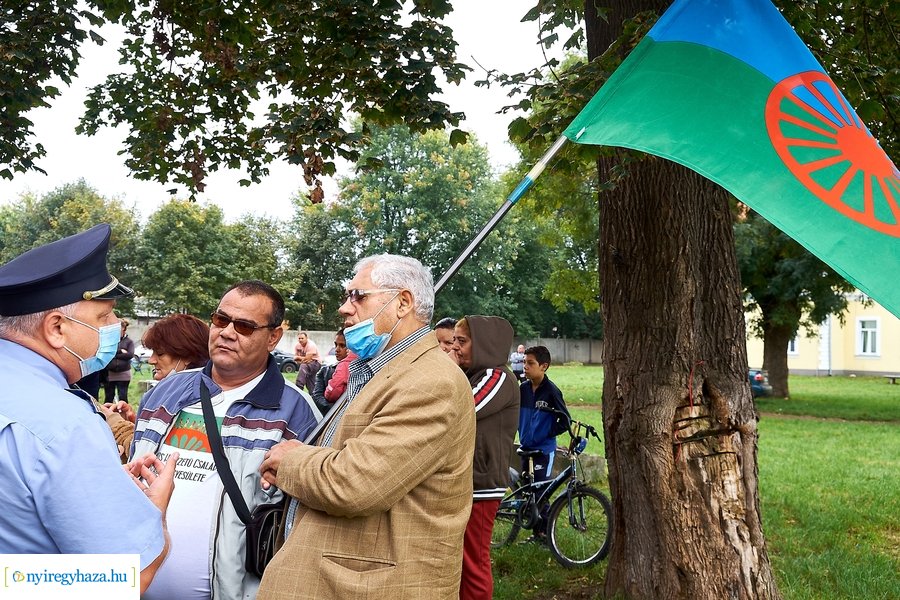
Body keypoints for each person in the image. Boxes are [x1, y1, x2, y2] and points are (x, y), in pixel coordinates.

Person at [257, 254, 476, 600]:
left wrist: (291, 460)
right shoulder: (383, 371)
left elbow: (354, 483)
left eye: (357, 296)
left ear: (402, 302)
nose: (345, 308)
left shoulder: (431, 381)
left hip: (370, 587)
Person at [0, 223, 176, 593]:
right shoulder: (65, 424)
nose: (114, 325)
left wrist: (99, 488)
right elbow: (126, 578)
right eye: (104, 316)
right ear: (56, 328)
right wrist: (153, 514)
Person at [131, 281, 322, 600]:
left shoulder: (297, 412)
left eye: (245, 326)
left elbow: (306, 524)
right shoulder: (163, 393)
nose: (227, 332)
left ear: (273, 337)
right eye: (221, 320)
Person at [451, 316, 520, 600]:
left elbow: (459, 408)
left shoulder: (498, 377)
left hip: (482, 483)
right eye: (454, 340)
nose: (455, 347)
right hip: (468, 480)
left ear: (483, 344)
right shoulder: (477, 374)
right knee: (461, 562)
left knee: (473, 563)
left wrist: (447, 371)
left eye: (462, 341)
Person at [105, 313, 211, 461]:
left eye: (160, 353)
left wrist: (116, 423)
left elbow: (148, 458)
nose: (151, 360)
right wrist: (135, 420)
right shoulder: (182, 394)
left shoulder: (195, 403)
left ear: (188, 355)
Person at [517, 345, 570, 540]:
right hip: (525, 448)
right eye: (524, 362)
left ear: (544, 366)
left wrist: (546, 433)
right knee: (528, 490)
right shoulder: (522, 389)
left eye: (530, 363)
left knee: (541, 491)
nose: (525, 367)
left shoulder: (551, 391)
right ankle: (534, 530)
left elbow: (565, 420)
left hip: (543, 451)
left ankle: (544, 532)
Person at [310, 329, 356, 414]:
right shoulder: (325, 371)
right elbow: (317, 396)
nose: (337, 349)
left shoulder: (362, 369)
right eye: (336, 345)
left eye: (342, 345)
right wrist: (333, 410)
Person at [104, 318, 135, 402]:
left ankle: (123, 414)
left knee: (123, 396)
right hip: (110, 373)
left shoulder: (129, 342)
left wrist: (114, 355)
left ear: (123, 329)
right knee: (109, 397)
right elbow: (106, 354)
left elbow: (130, 355)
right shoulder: (109, 341)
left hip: (124, 374)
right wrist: (121, 351)